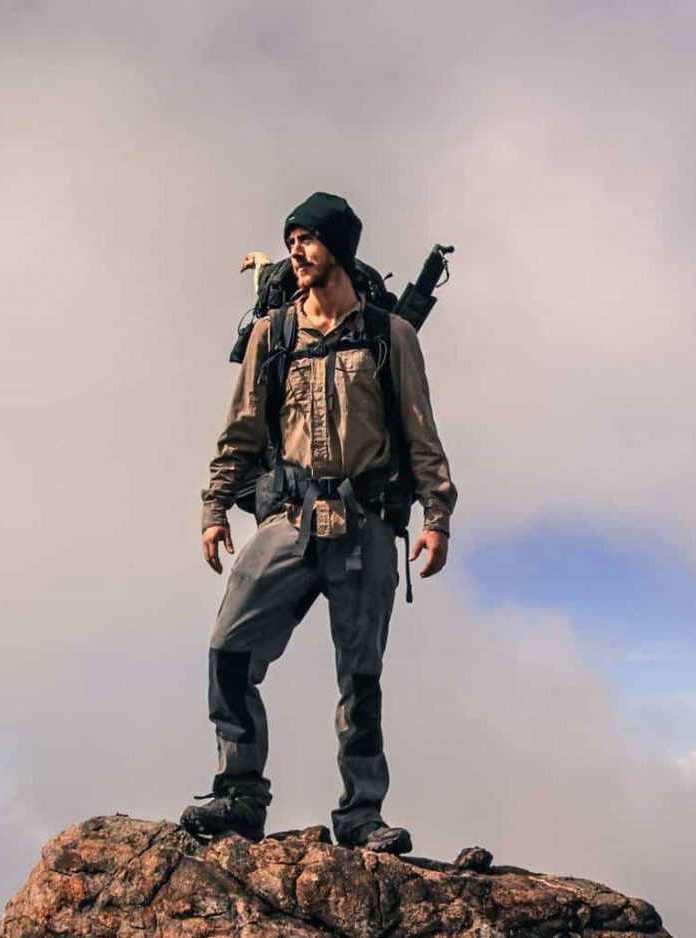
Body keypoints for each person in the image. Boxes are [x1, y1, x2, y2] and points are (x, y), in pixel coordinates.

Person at [180, 192, 457, 853]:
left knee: (359, 680)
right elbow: (241, 430)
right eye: (292, 237)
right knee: (229, 651)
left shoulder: (390, 337)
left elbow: (422, 433)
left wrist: (437, 514)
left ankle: (362, 816)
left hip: (367, 528)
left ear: (339, 248)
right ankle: (240, 794)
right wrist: (215, 506)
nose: (296, 249)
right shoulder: (271, 336)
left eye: (309, 238)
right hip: (287, 520)